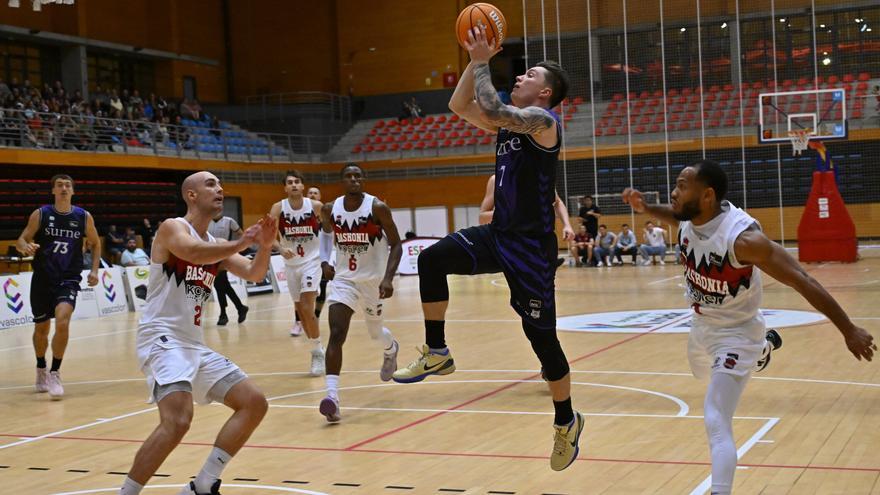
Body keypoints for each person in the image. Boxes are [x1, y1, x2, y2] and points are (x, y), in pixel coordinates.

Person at [393, 25, 584, 472]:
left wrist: (483, 61)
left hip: (532, 250)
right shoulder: (508, 124)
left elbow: (494, 108)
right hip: (499, 235)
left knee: (541, 340)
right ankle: (437, 352)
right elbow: (459, 105)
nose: (519, 76)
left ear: (546, 92)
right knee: (432, 259)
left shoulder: (545, 124)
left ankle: (566, 420)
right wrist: (472, 59)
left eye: (529, 74)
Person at [622, 160, 876, 495]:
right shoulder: (689, 218)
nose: (674, 191)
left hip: (737, 334)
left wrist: (848, 329)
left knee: (715, 415)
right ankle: (763, 349)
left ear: (707, 196)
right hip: (701, 327)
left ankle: (721, 490)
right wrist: (646, 208)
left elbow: (802, 279)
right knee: (704, 375)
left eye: (682, 186)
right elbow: (674, 216)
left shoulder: (743, 239)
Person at [118, 172, 276, 495]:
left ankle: (202, 485)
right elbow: (192, 252)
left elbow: (254, 273)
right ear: (191, 195)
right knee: (177, 420)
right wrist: (243, 242)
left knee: (254, 403)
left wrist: (264, 246)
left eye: (220, 185)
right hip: (161, 337)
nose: (220, 189)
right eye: (210, 184)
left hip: (192, 343)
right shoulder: (172, 228)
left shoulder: (217, 245)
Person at [317, 163, 402, 423]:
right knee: (336, 333)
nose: (353, 179)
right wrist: (324, 261)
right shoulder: (330, 209)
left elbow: (397, 244)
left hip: (373, 282)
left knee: (375, 332)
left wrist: (388, 278)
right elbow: (325, 234)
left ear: (363, 180)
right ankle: (332, 398)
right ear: (342, 181)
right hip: (344, 280)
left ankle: (391, 349)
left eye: (357, 176)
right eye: (348, 176)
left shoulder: (377, 208)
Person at [16, 174, 100, 400]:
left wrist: (94, 270)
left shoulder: (83, 216)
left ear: (73, 191)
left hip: (69, 278)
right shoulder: (41, 214)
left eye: (68, 185)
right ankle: (41, 367)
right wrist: (25, 247)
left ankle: (55, 372)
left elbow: (95, 243)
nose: (64, 188)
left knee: (63, 321)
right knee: (41, 329)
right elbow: (22, 239)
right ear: (53, 190)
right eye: (60, 185)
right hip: (43, 278)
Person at [269, 170, 325, 376]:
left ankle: (317, 352)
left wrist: (327, 256)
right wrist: (280, 248)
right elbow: (269, 235)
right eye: (290, 182)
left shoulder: (315, 206)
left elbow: (330, 230)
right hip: (291, 264)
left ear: (302, 186)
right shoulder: (278, 208)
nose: (293, 185)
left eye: (297, 182)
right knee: (301, 311)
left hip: (312, 261)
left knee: (307, 306)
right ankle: (317, 347)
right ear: (285, 188)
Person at [478, 174, 574, 268]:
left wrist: (567, 225)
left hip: (541, 244)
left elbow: (557, 202)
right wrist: (514, 213)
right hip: (512, 245)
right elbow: (482, 218)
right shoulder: (497, 179)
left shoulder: (543, 175)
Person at [292, 186, 330, 335]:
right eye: (310, 193)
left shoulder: (323, 214)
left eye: (316, 193)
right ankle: (298, 321)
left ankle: (316, 317)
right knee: (300, 293)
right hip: (303, 258)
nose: (313, 195)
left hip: (321, 257)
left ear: (319, 197)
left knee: (322, 290)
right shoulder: (298, 214)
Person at [208, 213, 249, 326]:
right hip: (210, 255)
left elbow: (241, 234)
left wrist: (235, 248)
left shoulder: (229, 221)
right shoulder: (207, 221)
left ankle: (223, 314)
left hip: (223, 255)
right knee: (223, 285)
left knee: (219, 284)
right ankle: (240, 308)